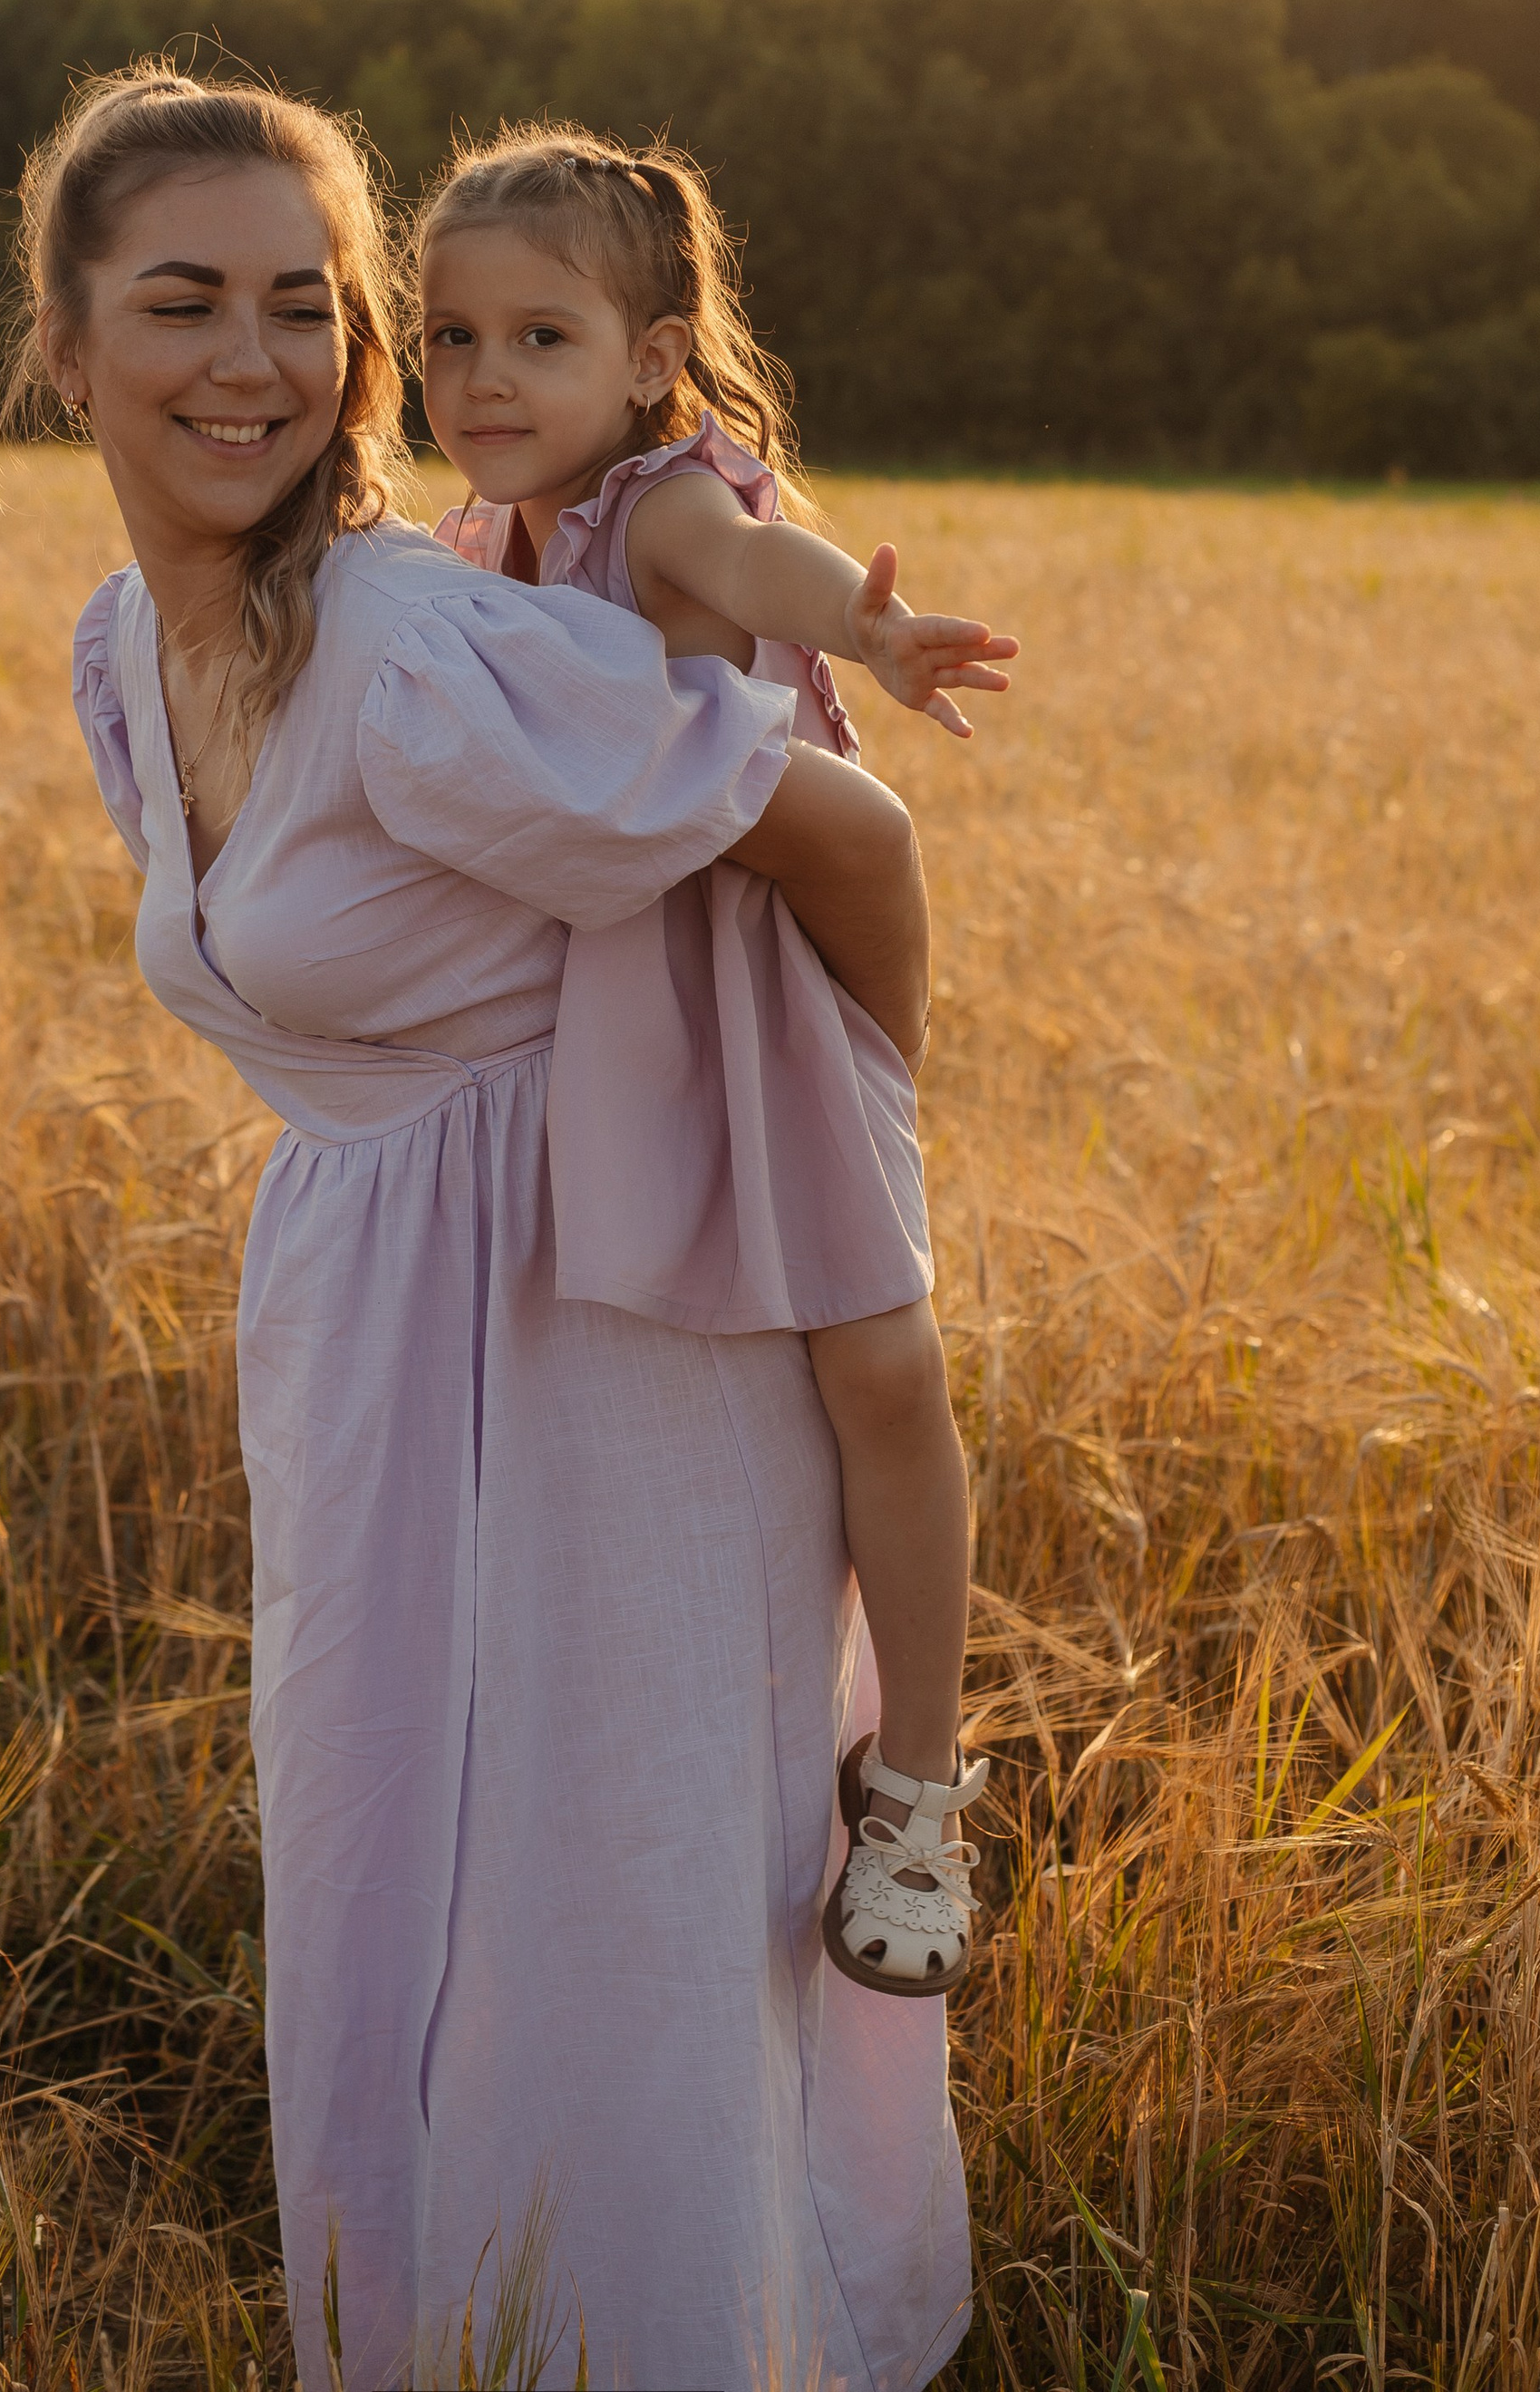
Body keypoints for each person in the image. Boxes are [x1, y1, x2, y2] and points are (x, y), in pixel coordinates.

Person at [5, 60, 971, 2391]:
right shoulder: (125, 659)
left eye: (301, 306)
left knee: (615, 1897)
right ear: (65, 345)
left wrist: (828, 1114)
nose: (252, 361)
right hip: (354, 1326)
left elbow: (847, 842)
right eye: (179, 305)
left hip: (603, 1324)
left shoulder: (420, 646)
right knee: (381, 1867)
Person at [416, 121, 1013, 2003]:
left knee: (875, 1359)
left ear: (651, 358)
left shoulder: (653, 503)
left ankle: (912, 1777)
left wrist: (870, 626)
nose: (483, 380)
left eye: (539, 339)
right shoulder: (472, 539)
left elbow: (758, 562)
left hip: (747, 993)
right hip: (606, 993)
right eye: (447, 340)